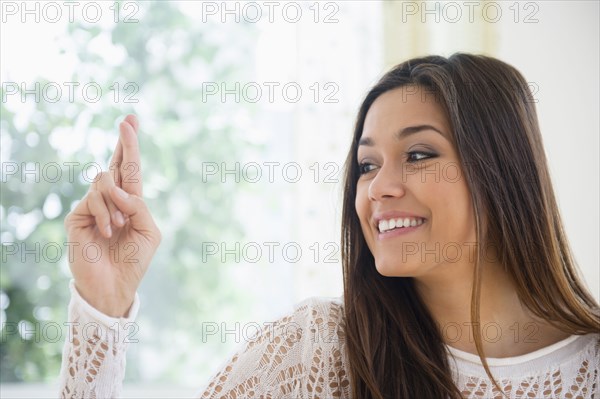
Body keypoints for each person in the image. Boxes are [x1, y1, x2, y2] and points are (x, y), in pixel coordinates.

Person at [58, 53, 599, 398]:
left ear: (502, 170)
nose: (378, 188)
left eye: (417, 154)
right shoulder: (316, 352)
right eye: (367, 165)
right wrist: (101, 314)